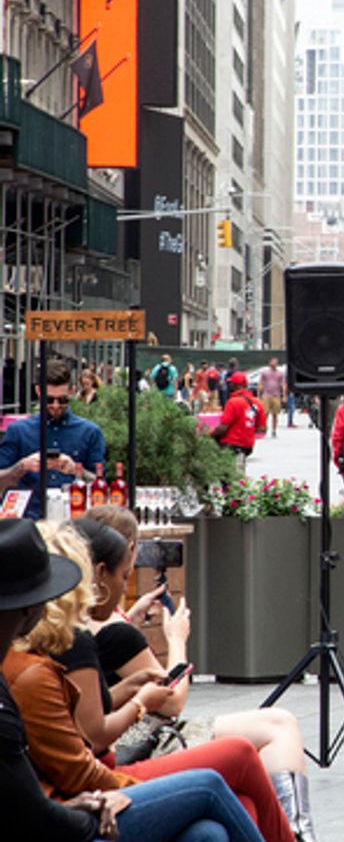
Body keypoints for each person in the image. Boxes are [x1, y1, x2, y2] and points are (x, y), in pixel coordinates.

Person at [4, 520, 296, 842]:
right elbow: (93, 742)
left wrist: (131, 691)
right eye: (124, 576)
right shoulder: (39, 667)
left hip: (82, 793)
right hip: (85, 802)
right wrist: (166, 660)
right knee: (220, 775)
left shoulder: (38, 659)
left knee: (209, 832)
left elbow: (73, 731)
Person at [71, 505, 321, 840]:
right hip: (133, 750)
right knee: (250, 747)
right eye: (125, 575)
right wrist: (175, 641)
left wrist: (131, 682)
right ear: (107, 567)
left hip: (112, 759)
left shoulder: (78, 636)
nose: (126, 581)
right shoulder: (76, 642)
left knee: (220, 824)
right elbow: (161, 707)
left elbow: (88, 710)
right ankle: (296, 834)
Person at [0, 359, 105, 520]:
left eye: (62, 400)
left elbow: (101, 485)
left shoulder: (90, 432)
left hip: (74, 521)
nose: (55, 406)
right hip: (27, 523)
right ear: (38, 392)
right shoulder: (18, 431)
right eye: (49, 400)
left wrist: (76, 471)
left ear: (72, 391)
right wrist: (22, 467)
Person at [211, 371, 267, 471]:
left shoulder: (233, 402)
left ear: (234, 385)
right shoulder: (257, 403)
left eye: (230, 383)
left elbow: (223, 427)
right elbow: (262, 429)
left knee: (229, 478)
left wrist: (211, 435)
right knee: (239, 476)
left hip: (231, 445)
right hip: (247, 446)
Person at [257, 357, 287, 438]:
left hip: (276, 395)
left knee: (275, 414)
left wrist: (284, 396)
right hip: (266, 395)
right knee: (265, 414)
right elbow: (261, 383)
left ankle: (274, 430)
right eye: (273, 362)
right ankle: (264, 429)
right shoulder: (264, 372)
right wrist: (258, 395)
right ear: (269, 362)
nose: (274, 363)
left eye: (276, 362)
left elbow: (283, 384)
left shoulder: (280, 373)